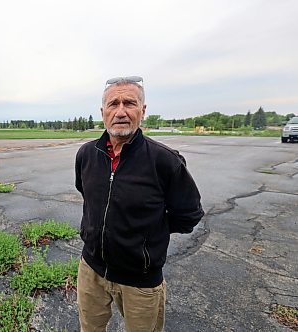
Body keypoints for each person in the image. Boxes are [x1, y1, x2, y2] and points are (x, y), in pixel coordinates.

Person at [75, 76, 204, 332]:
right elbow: (87, 194)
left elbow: (189, 214)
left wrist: (148, 234)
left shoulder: (165, 161)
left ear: (142, 111)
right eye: (113, 104)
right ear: (103, 113)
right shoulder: (87, 155)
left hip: (140, 280)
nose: (120, 111)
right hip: (91, 270)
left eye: (129, 103)